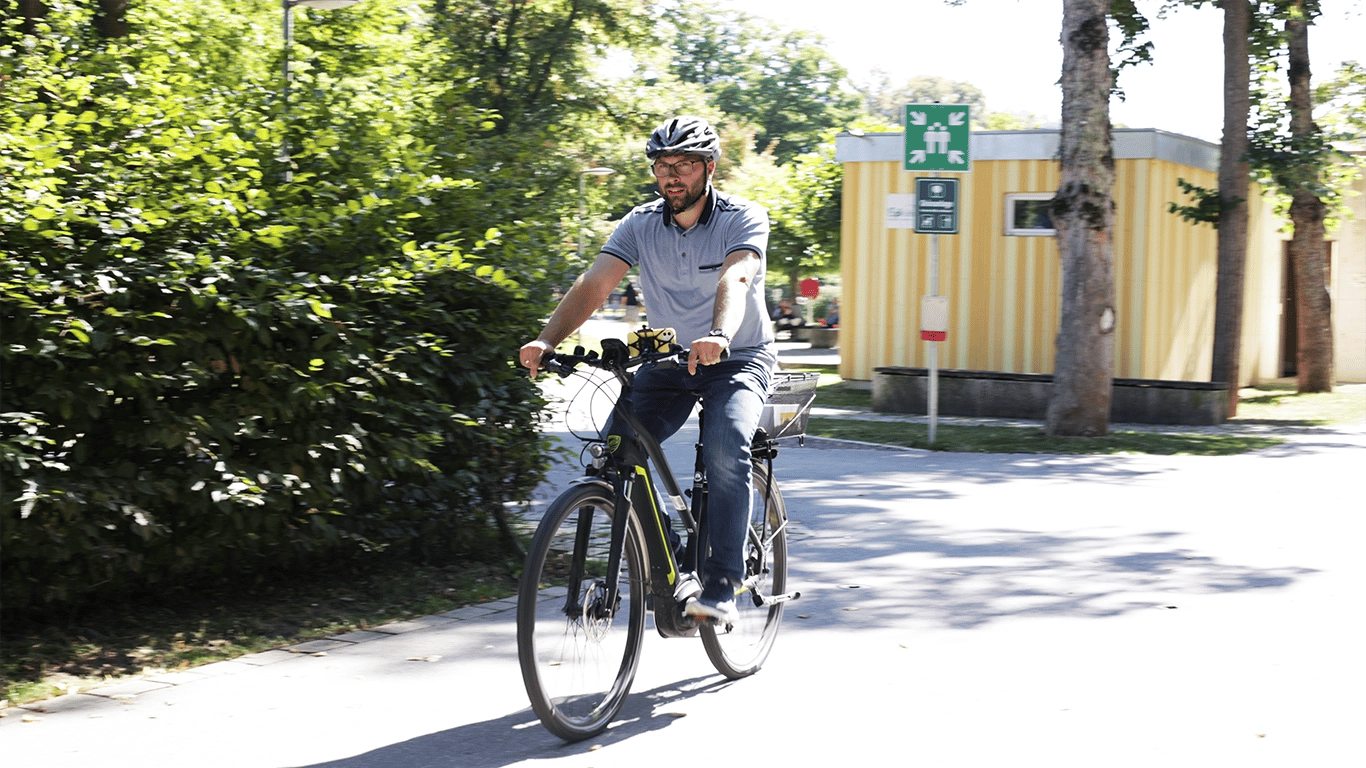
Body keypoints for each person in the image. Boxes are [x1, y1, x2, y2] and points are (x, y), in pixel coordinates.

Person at [519, 115, 774, 624]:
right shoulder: (639, 223)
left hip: (738, 356)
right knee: (614, 453)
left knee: (726, 444)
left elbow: (737, 277)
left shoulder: (742, 217)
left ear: (709, 167)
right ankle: (670, 553)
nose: (672, 175)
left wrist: (719, 335)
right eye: (662, 165)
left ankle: (723, 582)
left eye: (683, 164)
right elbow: (595, 284)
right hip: (670, 360)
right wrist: (548, 339)